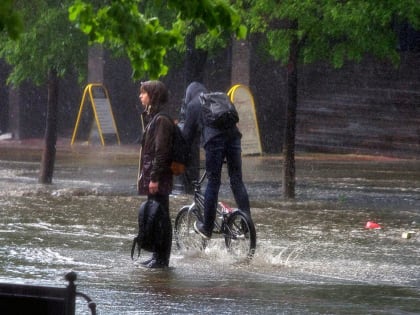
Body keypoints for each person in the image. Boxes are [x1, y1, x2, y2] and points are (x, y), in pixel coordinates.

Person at [181, 82, 251, 239]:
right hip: (234, 139)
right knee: (237, 180)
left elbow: (186, 137)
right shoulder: (219, 98)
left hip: (214, 141)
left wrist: (181, 159)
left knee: (213, 181)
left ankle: (207, 227)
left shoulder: (193, 105)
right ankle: (247, 224)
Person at [137, 80, 173, 268]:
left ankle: (162, 259)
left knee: (161, 216)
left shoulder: (161, 121)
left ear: (153, 96)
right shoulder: (154, 118)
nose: (140, 96)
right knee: (158, 214)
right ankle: (158, 256)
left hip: (158, 176)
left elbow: (161, 152)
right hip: (155, 175)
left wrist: (154, 178)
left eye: (144, 93)